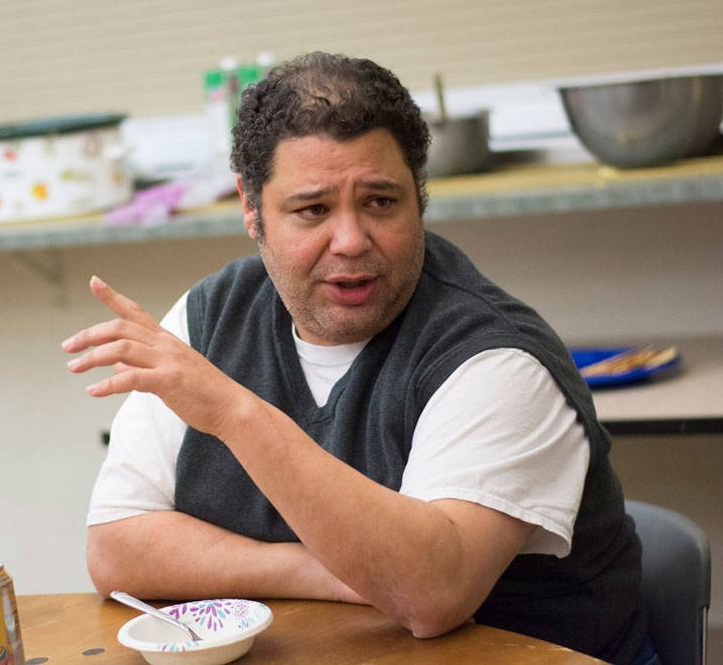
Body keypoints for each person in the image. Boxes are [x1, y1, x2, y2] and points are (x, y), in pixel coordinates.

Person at [63, 52, 653, 664]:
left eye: (380, 202)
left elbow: (430, 595)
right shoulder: (209, 318)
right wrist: (332, 573)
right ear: (250, 207)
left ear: (418, 198)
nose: (350, 240)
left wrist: (233, 413)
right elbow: (116, 551)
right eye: (313, 209)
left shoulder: (496, 357)